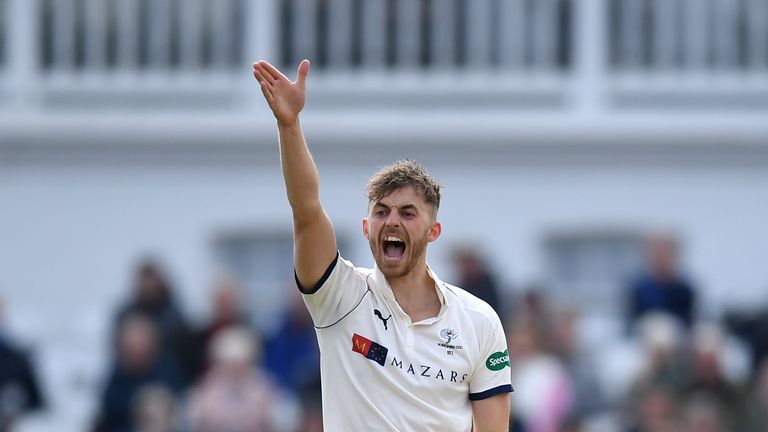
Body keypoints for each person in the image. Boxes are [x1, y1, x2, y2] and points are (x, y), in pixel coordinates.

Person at [252, 59, 512, 431]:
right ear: (366, 227)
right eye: (381, 212)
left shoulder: (478, 320)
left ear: (433, 231)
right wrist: (289, 124)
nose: (392, 221)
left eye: (408, 213)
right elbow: (306, 211)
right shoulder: (339, 295)